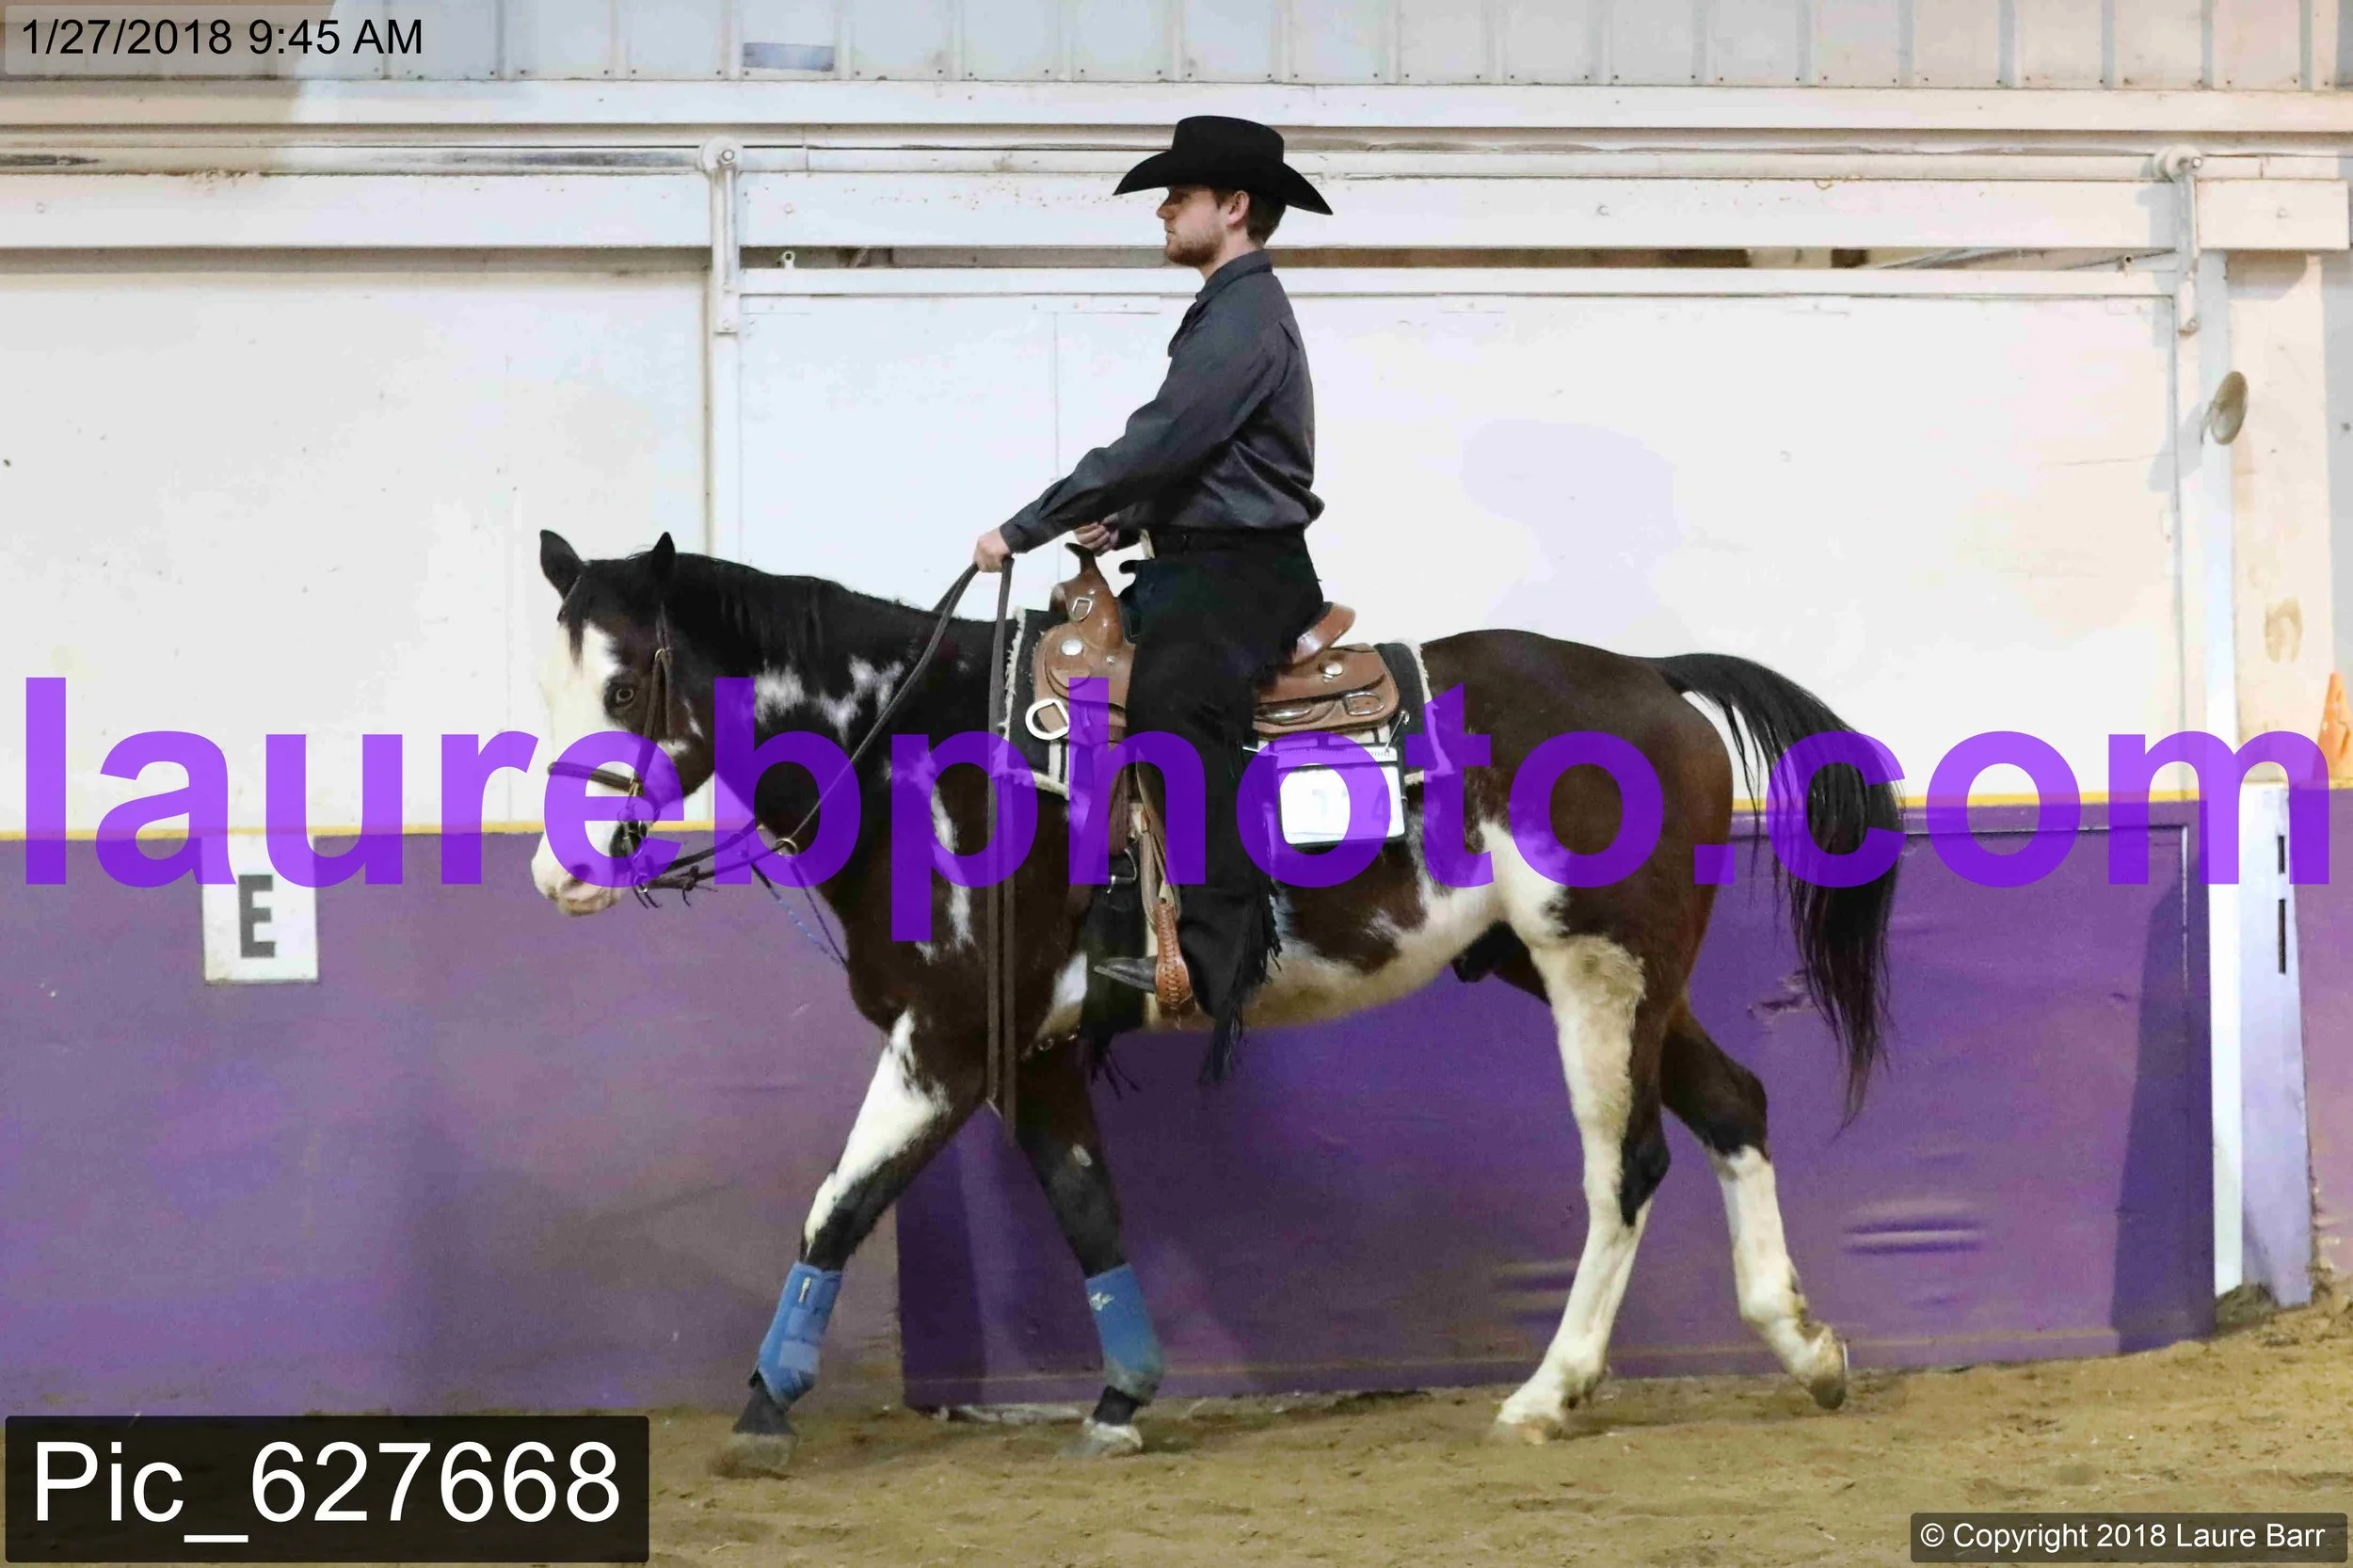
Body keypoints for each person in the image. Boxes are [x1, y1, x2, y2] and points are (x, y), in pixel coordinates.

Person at [970, 114, 1333, 1078]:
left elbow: (1162, 439)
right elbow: (1204, 461)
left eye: (1179, 195)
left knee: (1174, 702)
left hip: (1243, 573)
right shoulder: (1228, 312)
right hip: (1195, 563)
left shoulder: (1244, 317)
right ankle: (1115, 912)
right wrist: (1126, 520)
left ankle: (1224, 953)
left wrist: (1027, 526)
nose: (1164, 211)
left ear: (1235, 206)